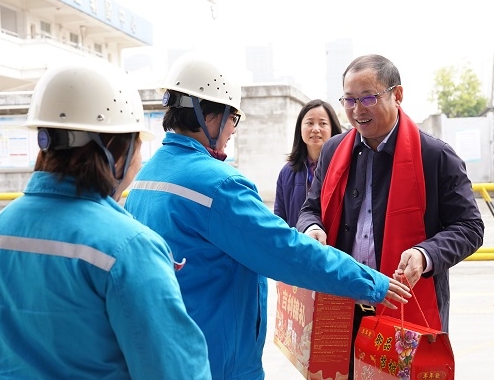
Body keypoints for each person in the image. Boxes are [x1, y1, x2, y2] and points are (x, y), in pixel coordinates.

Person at [124, 52, 411, 380]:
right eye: (233, 117)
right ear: (210, 117)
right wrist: (370, 281)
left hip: (163, 354)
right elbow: (285, 250)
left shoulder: (145, 178)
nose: (233, 129)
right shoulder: (217, 184)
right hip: (214, 361)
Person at [0, 62, 211, 380]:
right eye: (137, 146)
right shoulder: (129, 248)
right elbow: (175, 372)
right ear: (113, 149)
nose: (139, 160)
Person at [296, 54, 485, 378]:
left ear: (397, 95)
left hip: (408, 307)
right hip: (344, 304)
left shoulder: (435, 155)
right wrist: (312, 227)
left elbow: (470, 226)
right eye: (349, 100)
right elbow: (310, 208)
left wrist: (426, 254)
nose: (357, 109)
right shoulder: (333, 150)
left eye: (368, 97)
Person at [274, 99, 342, 227]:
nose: (316, 129)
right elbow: (280, 219)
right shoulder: (287, 172)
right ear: (300, 128)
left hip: (333, 246)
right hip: (298, 244)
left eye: (322, 123)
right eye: (310, 123)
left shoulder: (343, 167)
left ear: (332, 128)